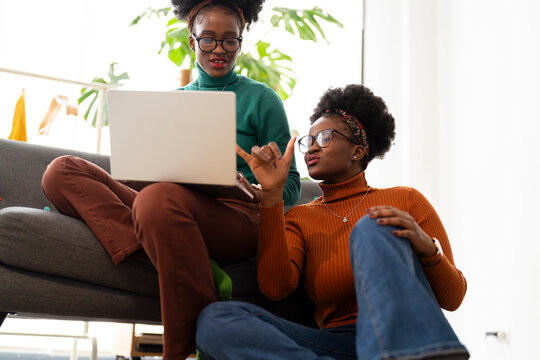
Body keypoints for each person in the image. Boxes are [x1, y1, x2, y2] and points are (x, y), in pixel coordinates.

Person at [41, 0, 300, 359]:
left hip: (239, 213)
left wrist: (257, 187)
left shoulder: (262, 99)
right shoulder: (174, 103)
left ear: (241, 43)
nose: (219, 49)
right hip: (168, 205)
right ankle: (178, 255)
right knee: (61, 171)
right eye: (208, 39)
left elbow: (292, 187)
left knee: (156, 201)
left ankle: (178, 350)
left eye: (230, 40)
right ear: (193, 43)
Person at [195, 84, 469, 360]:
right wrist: (272, 196)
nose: (311, 147)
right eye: (308, 140)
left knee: (372, 225)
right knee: (215, 321)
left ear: (358, 151)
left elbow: (453, 297)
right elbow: (275, 288)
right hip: (336, 344)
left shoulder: (406, 200)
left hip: (405, 336)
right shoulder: (301, 216)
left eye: (325, 137)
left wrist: (428, 249)